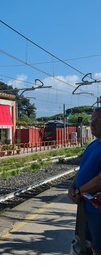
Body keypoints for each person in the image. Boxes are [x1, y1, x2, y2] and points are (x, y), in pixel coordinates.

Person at [68, 107, 101, 255]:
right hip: (86, 207)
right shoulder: (93, 145)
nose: (92, 125)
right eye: (91, 121)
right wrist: (72, 186)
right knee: (87, 244)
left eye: (97, 121)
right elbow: (82, 169)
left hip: (98, 210)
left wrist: (80, 191)